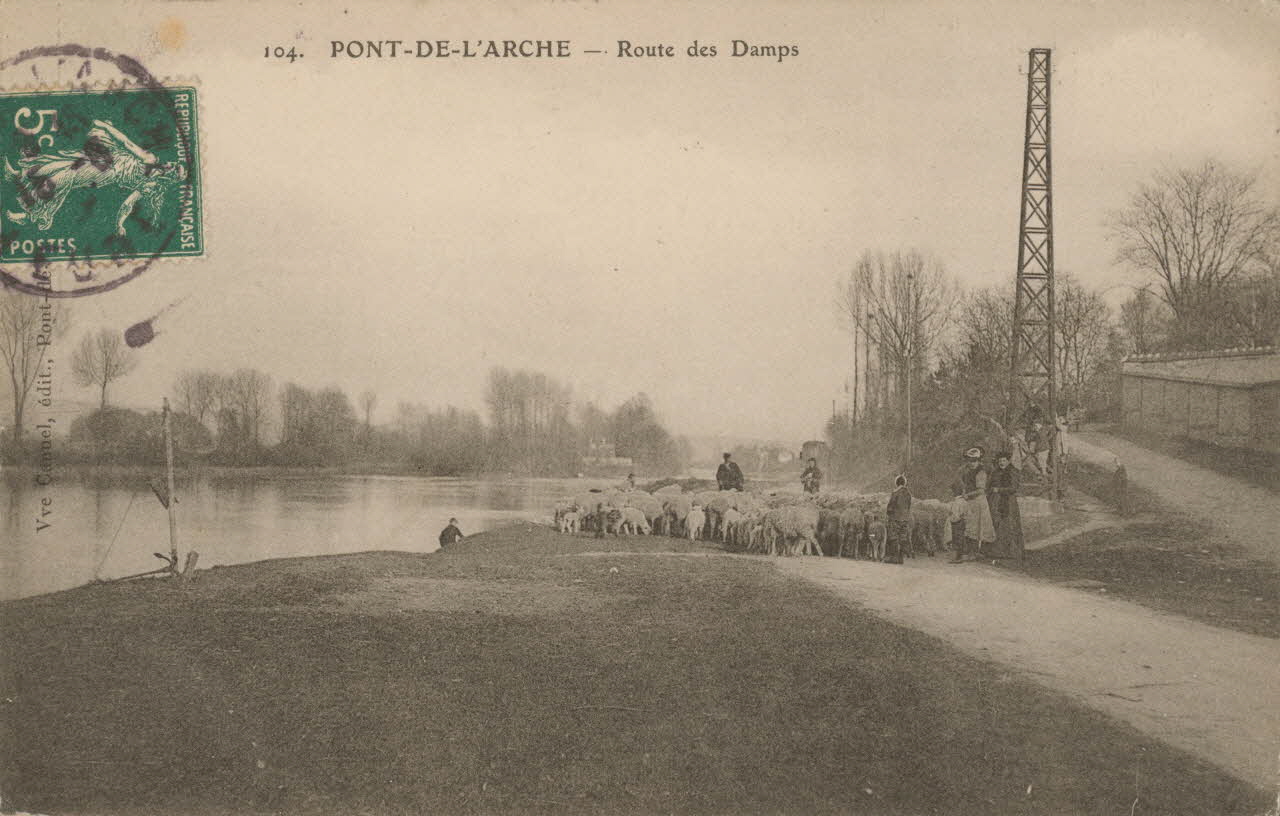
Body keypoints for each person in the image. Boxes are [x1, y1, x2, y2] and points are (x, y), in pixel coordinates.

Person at [958, 447, 996, 558]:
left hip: (979, 501)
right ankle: (970, 551)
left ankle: (979, 552)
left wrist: (967, 495)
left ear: (979, 461)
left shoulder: (981, 473)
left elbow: (980, 490)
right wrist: (965, 492)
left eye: (974, 460)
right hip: (971, 501)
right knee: (970, 525)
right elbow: (966, 485)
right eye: (969, 460)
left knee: (980, 526)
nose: (971, 463)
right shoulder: (968, 472)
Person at [987, 451, 1024, 561]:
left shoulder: (1013, 471)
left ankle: (1013, 552)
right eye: (1000, 461)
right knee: (997, 524)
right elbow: (990, 484)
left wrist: (999, 490)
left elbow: (1013, 488)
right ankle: (999, 551)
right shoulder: (995, 472)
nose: (1001, 463)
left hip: (1008, 502)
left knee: (1010, 525)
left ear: (1008, 461)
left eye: (1004, 461)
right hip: (996, 501)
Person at [885, 474, 912, 564]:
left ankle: (894, 558)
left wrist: (888, 513)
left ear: (896, 483)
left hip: (895, 518)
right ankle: (901, 558)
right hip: (905, 518)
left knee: (894, 538)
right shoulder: (908, 493)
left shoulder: (895, 493)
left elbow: (890, 506)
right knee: (903, 538)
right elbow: (908, 506)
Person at [946, 482, 968, 563]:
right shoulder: (964, 502)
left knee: (956, 540)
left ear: (954, 492)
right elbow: (968, 513)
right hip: (963, 522)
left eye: (952, 491)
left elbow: (955, 516)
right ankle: (961, 556)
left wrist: (951, 517)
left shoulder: (956, 503)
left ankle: (956, 558)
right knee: (961, 539)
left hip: (957, 523)